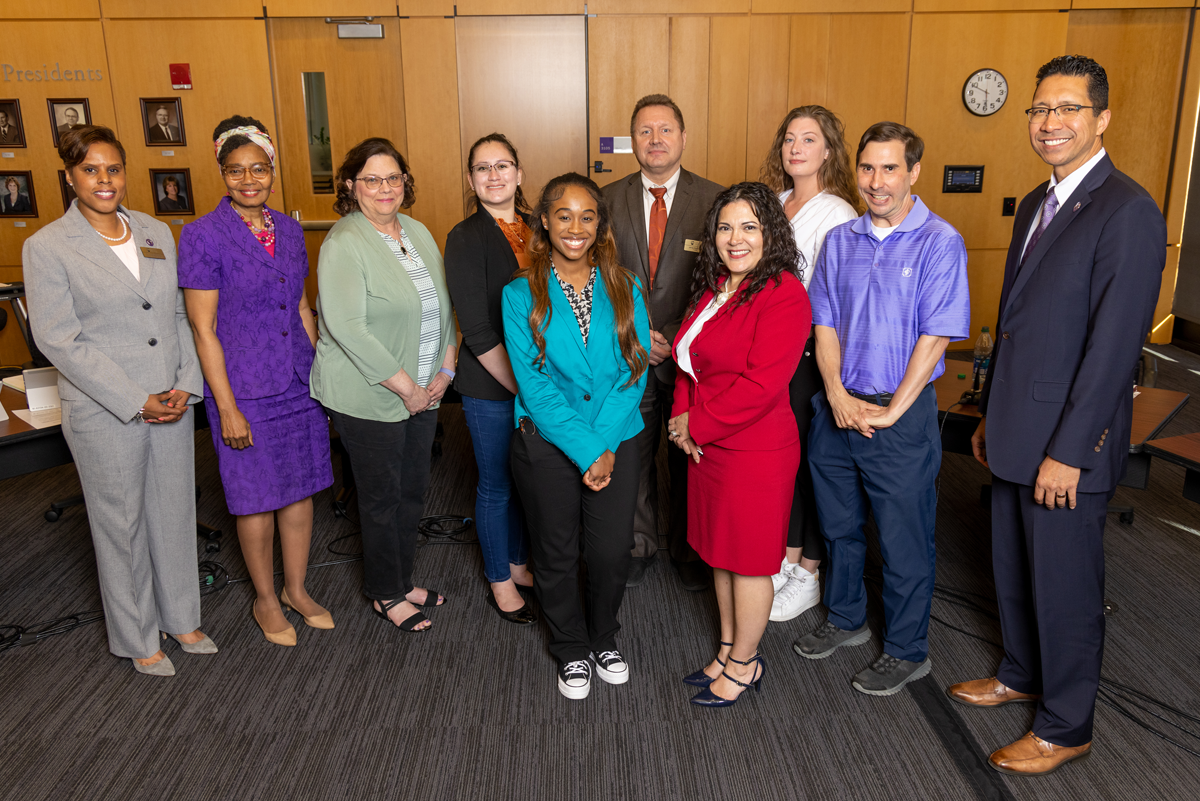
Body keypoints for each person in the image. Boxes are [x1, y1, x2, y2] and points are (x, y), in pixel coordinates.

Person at [947, 56, 1167, 776]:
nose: (1050, 123)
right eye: (1041, 110)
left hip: (1070, 443)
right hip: (1016, 426)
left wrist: (1071, 450)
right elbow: (1016, 326)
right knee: (1012, 565)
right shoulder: (1042, 202)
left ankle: (1067, 723)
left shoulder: (1128, 210)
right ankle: (1019, 670)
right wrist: (985, 412)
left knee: (1066, 586)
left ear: (1101, 118)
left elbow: (1112, 350)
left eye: (1067, 109)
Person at [22, 125, 216, 676]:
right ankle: (136, 636)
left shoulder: (155, 230)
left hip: (172, 398)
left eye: (112, 169)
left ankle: (181, 616)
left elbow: (177, 317)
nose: (104, 181)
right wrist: (137, 398)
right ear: (70, 177)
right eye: (90, 170)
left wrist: (185, 383)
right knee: (122, 523)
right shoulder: (47, 247)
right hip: (106, 408)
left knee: (174, 511)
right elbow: (59, 339)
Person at [795, 121, 970, 696]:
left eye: (890, 168)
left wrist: (892, 411)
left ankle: (906, 650)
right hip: (838, 409)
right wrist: (838, 397)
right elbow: (824, 324)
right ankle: (845, 619)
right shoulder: (841, 240)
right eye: (867, 168)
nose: (876, 181)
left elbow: (936, 336)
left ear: (914, 172)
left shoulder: (939, 241)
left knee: (902, 538)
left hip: (900, 416)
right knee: (840, 527)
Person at [179, 115, 334, 647]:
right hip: (243, 387)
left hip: (296, 380)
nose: (249, 180)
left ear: (273, 170)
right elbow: (203, 329)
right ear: (221, 173)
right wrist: (225, 407)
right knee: (254, 500)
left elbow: (301, 305)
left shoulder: (290, 230)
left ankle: (296, 588)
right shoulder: (201, 235)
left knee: (300, 492)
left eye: (259, 169)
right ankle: (265, 597)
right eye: (236, 170)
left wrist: (321, 378)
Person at [503, 173, 651, 700]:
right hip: (545, 441)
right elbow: (535, 387)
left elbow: (636, 370)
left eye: (587, 216)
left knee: (611, 551)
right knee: (556, 551)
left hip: (617, 437)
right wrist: (589, 450)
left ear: (600, 223)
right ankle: (569, 647)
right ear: (544, 221)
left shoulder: (626, 285)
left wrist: (605, 445)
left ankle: (604, 637)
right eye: (563, 215)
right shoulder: (521, 294)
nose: (575, 227)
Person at [669, 182, 809, 707]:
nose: (736, 238)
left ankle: (746, 666)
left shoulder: (784, 294)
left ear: (770, 232)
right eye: (726, 227)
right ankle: (728, 649)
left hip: (755, 451)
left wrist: (693, 426)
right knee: (722, 557)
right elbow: (688, 359)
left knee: (749, 563)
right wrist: (683, 412)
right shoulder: (713, 288)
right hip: (708, 447)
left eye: (749, 226)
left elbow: (761, 386)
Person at [311, 137, 456, 633]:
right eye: (371, 179)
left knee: (413, 491)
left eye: (393, 177)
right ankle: (384, 592)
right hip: (370, 395)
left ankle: (401, 577)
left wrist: (447, 369)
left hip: (426, 387)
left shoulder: (416, 231)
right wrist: (407, 388)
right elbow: (349, 328)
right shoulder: (344, 243)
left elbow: (443, 303)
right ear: (351, 186)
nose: (384, 188)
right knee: (380, 498)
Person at [602, 94, 723, 591]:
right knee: (631, 453)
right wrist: (632, 332)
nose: (655, 140)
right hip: (623, 352)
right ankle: (638, 543)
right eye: (645, 131)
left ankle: (689, 548)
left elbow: (722, 279)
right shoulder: (606, 200)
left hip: (691, 357)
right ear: (633, 141)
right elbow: (593, 277)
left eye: (665, 130)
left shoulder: (716, 199)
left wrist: (671, 339)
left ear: (683, 137)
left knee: (690, 458)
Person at [758, 105, 861, 623]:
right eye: (789, 138)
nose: (796, 147)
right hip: (769, 354)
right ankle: (785, 556)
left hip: (807, 357)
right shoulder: (773, 203)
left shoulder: (837, 213)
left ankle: (808, 569)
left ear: (828, 151)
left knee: (810, 465)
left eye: (809, 139)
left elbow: (835, 303)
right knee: (781, 462)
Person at [444, 133, 536, 625]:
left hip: (541, 382)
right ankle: (500, 579)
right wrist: (525, 389)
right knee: (497, 483)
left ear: (519, 174)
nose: (494, 175)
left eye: (503, 165)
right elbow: (477, 330)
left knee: (527, 480)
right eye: (483, 168)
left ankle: (521, 564)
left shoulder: (541, 228)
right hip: (492, 385)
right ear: (471, 179)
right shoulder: (465, 237)